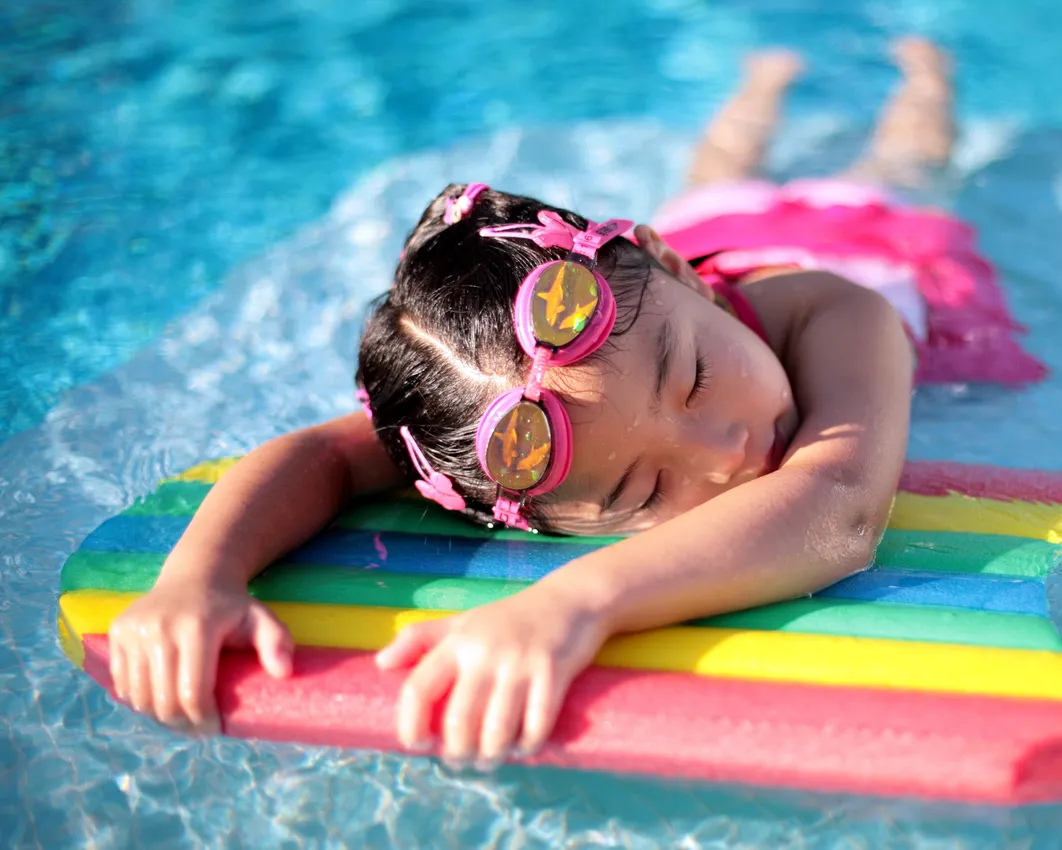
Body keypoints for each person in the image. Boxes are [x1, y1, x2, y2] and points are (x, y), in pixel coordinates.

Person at [109, 39, 978, 770]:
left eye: (699, 380)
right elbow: (332, 456)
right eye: (639, 494)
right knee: (723, 182)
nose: (728, 453)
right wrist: (198, 582)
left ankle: (897, 81)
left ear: (670, 266)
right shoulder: (536, 411)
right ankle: (766, 83)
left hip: (865, 230)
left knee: (891, 162)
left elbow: (842, 509)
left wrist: (574, 603)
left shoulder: (838, 311)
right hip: (688, 274)